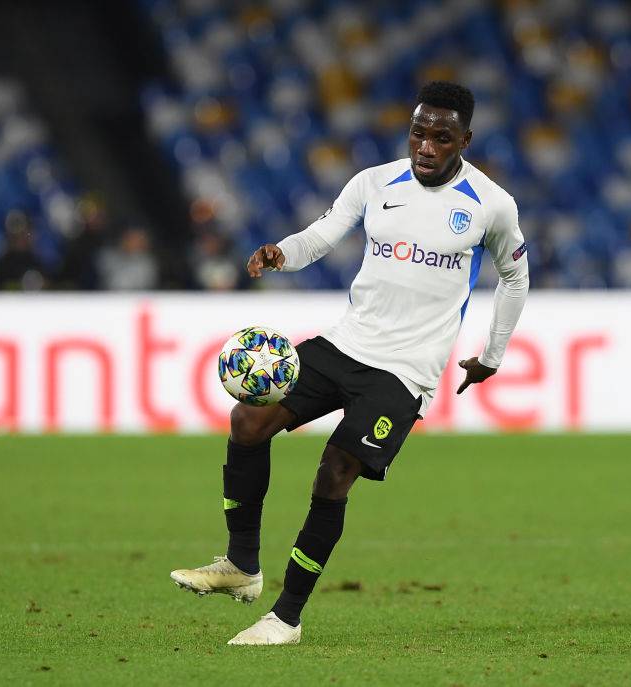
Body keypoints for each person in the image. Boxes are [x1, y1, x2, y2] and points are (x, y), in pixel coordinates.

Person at [170, 82, 530, 646]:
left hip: (405, 371)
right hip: (346, 343)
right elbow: (322, 235)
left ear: (464, 140)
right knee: (248, 421)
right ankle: (242, 564)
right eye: (418, 132)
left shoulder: (491, 205)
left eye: (441, 137)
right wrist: (282, 253)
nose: (426, 146)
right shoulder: (374, 182)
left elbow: (515, 276)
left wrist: (492, 355)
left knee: (336, 471)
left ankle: (285, 618)